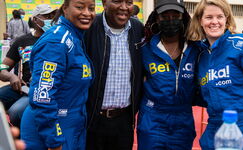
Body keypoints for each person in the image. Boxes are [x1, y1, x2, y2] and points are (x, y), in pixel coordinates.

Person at [187, 0, 243, 149]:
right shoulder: (200, 55)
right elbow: (202, 95)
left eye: (220, 17)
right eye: (209, 17)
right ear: (200, 21)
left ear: (227, 19)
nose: (214, 22)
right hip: (215, 129)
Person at [20, 0, 95, 149]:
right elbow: (42, 95)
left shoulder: (75, 37)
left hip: (72, 125)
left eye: (91, 8)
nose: (87, 13)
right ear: (65, 9)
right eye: (80, 7)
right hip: (51, 130)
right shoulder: (55, 41)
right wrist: (54, 139)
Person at [137, 0, 199, 149]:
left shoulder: (196, 48)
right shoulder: (145, 48)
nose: (171, 20)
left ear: (182, 17)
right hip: (153, 117)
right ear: (157, 18)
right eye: (165, 16)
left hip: (183, 119)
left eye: (175, 15)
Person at [83, 0, 144, 149]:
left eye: (129, 2)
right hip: (92, 120)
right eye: (117, 1)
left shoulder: (138, 29)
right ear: (104, 2)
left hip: (125, 121)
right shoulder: (89, 26)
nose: (124, 7)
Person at [0, 4, 56, 128]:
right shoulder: (22, 42)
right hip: (24, 88)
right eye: (47, 16)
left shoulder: (57, 40)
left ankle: (20, 141)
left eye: (53, 16)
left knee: (15, 112)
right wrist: (11, 77)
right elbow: (2, 68)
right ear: (35, 19)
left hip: (43, 90)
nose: (51, 19)